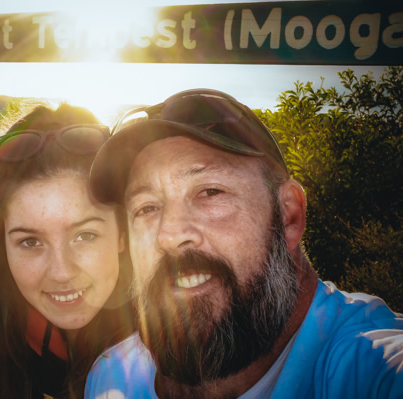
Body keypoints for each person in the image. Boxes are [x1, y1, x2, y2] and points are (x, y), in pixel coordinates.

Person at [85, 89, 403, 398]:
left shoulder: (371, 367)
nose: (169, 235)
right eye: (147, 208)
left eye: (210, 192)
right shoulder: (111, 378)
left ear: (288, 217)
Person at [0, 103, 134, 399]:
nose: (61, 272)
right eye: (30, 242)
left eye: (85, 235)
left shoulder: (177, 350)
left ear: (123, 233)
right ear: (0, 244)